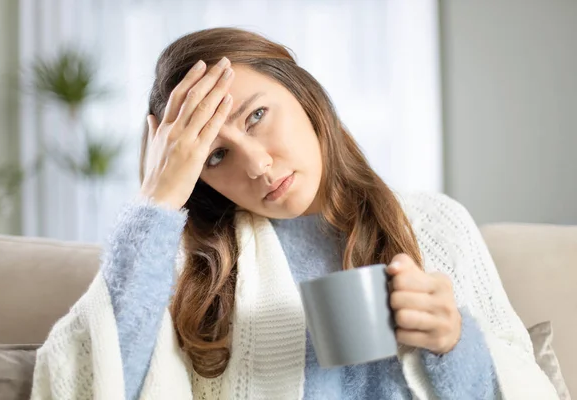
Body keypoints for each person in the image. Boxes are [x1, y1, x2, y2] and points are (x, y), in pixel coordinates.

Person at [30, 28, 558, 400]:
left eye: (256, 115)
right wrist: (156, 203)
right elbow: (96, 378)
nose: (257, 165)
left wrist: (452, 344)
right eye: (214, 156)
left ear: (303, 93)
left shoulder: (434, 226)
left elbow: (519, 386)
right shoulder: (187, 265)